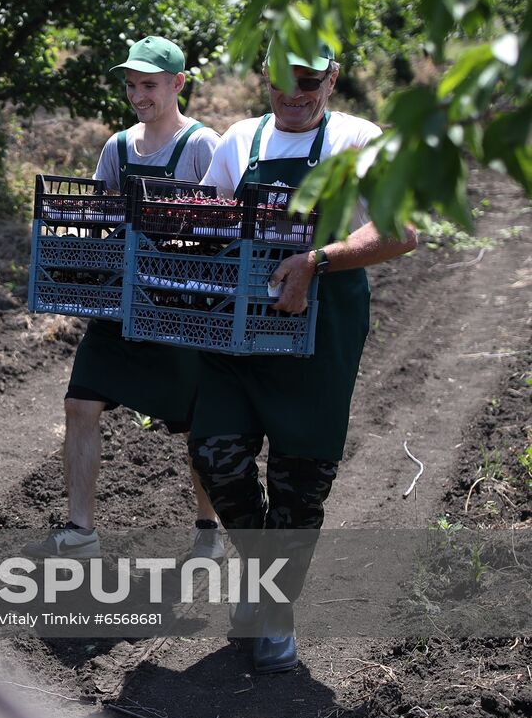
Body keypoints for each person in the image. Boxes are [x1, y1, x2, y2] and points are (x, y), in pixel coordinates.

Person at [190, 35, 417, 674]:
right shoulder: (240, 141)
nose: (294, 93)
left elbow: (399, 233)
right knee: (216, 453)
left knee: (300, 480)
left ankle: (274, 613)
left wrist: (316, 260)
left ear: (332, 79)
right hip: (238, 335)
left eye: (309, 80)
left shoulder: (359, 139)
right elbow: (206, 220)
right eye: (281, 78)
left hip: (322, 336)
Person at [28, 36, 225, 562]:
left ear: (178, 84)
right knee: (79, 404)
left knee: (194, 425)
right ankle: (80, 531)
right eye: (133, 85)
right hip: (120, 307)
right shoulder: (116, 148)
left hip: (181, 312)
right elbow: (99, 220)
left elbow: (222, 227)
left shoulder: (203, 146)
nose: (139, 95)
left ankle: (208, 530)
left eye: (150, 85)